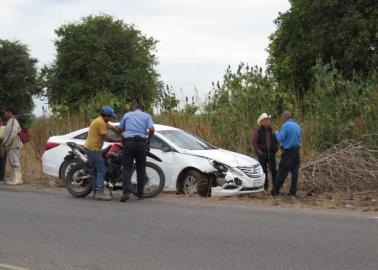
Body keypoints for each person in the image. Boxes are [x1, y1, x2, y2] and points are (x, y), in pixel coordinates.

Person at [115, 101, 155, 202]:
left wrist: (123, 132)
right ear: (143, 110)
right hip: (141, 143)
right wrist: (148, 139)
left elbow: (119, 130)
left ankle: (126, 193)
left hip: (129, 143)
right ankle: (140, 194)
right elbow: (152, 129)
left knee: (127, 169)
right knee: (141, 169)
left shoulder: (127, 115)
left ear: (134, 109)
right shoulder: (147, 116)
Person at [84, 106, 120, 201]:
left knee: (96, 171)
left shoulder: (103, 121)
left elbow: (113, 128)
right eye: (111, 117)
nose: (111, 118)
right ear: (107, 116)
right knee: (101, 170)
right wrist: (119, 140)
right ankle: (99, 193)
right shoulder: (100, 122)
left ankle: (96, 192)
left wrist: (123, 132)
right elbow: (106, 138)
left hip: (91, 149)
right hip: (93, 150)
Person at [271, 111, 302, 196]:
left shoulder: (286, 125)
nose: (281, 119)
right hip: (297, 152)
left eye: (282, 117)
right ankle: (293, 191)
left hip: (288, 153)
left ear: (285, 117)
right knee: (294, 173)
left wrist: (276, 133)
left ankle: (274, 191)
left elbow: (280, 138)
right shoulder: (297, 126)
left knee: (282, 172)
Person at [252, 113, 279, 191]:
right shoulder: (258, 131)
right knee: (264, 172)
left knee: (274, 171)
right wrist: (259, 152)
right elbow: (254, 143)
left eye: (268, 119)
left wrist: (276, 149)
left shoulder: (272, 130)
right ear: (262, 122)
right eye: (266, 120)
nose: (268, 121)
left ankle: (275, 189)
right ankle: (265, 188)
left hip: (271, 154)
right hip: (262, 154)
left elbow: (277, 140)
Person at [2, 108, 23, 185]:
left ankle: (18, 179)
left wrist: (5, 144)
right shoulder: (11, 121)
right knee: (13, 161)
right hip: (12, 144)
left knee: (15, 162)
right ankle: (15, 179)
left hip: (13, 145)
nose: (4, 115)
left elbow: (11, 134)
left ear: (10, 112)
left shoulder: (13, 121)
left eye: (5, 113)